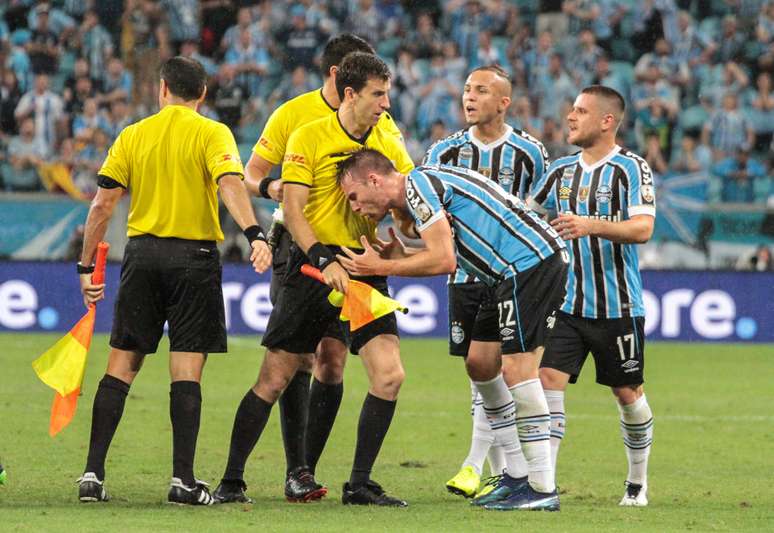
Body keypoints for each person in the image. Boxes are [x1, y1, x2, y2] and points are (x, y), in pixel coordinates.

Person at [214, 52, 414, 507]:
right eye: (377, 94)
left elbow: (403, 204)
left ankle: (356, 484)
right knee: (277, 376)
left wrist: (405, 236)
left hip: (363, 268)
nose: (386, 103)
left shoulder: (388, 137)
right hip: (309, 264)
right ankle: (231, 481)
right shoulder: (309, 134)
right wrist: (325, 261)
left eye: (387, 93)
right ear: (350, 93)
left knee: (386, 374)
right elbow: (297, 213)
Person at [75, 56, 271, 506]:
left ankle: (92, 474)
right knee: (186, 370)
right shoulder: (212, 132)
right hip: (194, 259)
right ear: (202, 94)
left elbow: (102, 206)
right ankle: (183, 480)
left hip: (141, 257)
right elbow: (229, 184)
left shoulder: (132, 135)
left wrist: (87, 268)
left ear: (162, 89)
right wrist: (254, 233)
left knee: (121, 365)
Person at [336, 149, 568, 511]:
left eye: (353, 196)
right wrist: (403, 255)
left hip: (530, 263)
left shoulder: (418, 185)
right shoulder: (425, 185)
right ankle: (516, 474)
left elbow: (444, 260)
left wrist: (381, 267)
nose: (354, 207)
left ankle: (541, 487)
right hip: (500, 275)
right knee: (479, 363)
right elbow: (452, 244)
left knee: (517, 369)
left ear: (374, 180)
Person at [422, 64, 551, 499]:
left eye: (480, 90)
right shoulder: (444, 151)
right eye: (466, 89)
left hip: (512, 275)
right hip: (463, 274)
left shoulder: (530, 153)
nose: (469, 97)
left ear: (504, 102)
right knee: (479, 370)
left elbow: (539, 212)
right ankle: (502, 473)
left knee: (503, 365)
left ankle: (489, 468)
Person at [529, 85, 656, 507]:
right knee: (547, 382)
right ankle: (542, 485)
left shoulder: (631, 169)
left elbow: (642, 229)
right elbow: (527, 213)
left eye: (580, 111)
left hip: (618, 306)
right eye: (571, 109)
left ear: (606, 121)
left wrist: (590, 225)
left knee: (627, 393)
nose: (570, 116)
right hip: (566, 305)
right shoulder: (562, 171)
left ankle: (636, 483)